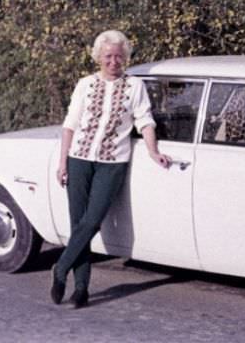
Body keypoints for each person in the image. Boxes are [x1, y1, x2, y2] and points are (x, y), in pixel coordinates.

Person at [50, 30, 171, 308]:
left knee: (92, 222)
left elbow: (145, 120)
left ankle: (60, 267)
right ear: (98, 57)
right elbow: (70, 124)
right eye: (108, 56)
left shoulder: (134, 86)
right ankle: (81, 290)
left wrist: (153, 151)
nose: (113, 61)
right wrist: (62, 162)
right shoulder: (85, 84)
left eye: (119, 56)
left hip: (113, 162)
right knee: (77, 224)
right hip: (79, 158)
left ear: (125, 58)